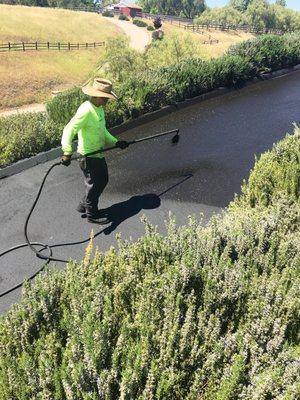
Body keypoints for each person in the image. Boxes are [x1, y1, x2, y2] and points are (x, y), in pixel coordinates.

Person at [61, 78, 129, 225]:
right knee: (94, 184)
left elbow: (102, 131)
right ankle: (92, 214)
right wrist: (67, 152)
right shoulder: (86, 110)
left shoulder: (99, 109)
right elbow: (69, 129)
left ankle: (83, 205)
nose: (107, 100)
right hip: (87, 155)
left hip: (97, 153)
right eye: (106, 98)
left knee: (103, 180)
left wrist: (116, 142)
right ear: (97, 96)